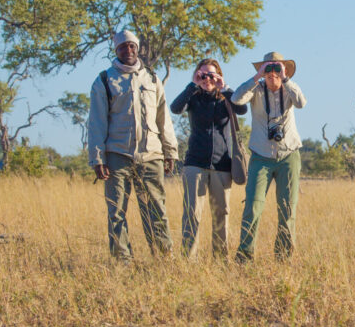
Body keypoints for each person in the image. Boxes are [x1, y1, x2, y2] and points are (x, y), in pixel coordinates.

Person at [87, 29, 179, 260]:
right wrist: (97, 158)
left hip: (151, 155)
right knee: (116, 211)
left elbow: (163, 118)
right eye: (122, 47)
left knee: (156, 209)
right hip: (117, 155)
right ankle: (122, 261)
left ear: (137, 49)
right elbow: (96, 122)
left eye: (131, 46)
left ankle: (163, 257)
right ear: (116, 50)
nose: (128, 50)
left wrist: (170, 151)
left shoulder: (152, 79)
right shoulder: (104, 80)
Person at [230, 51, 306, 262]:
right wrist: (257, 78)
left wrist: (286, 79)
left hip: (288, 154)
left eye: (277, 68)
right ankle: (244, 257)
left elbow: (301, 103)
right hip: (261, 156)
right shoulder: (256, 89)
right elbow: (236, 99)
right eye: (268, 69)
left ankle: (283, 258)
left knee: (287, 209)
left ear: (284, 70)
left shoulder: (290, 88)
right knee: (252, 207)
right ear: (262, 71)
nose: (272, 73)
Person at [170, 58, 248, 259]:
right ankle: (189, 260)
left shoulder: (226, 99)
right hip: (195, 163)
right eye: (202, 75)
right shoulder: (193, 97)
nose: (207, 79)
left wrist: (226, 88)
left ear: (219, 76)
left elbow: (242, 109)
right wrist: (192, 85)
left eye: (211, 75)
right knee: (192, 214)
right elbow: (175, 108)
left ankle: (221, 260)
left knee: (221, 214)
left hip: (222, 165)